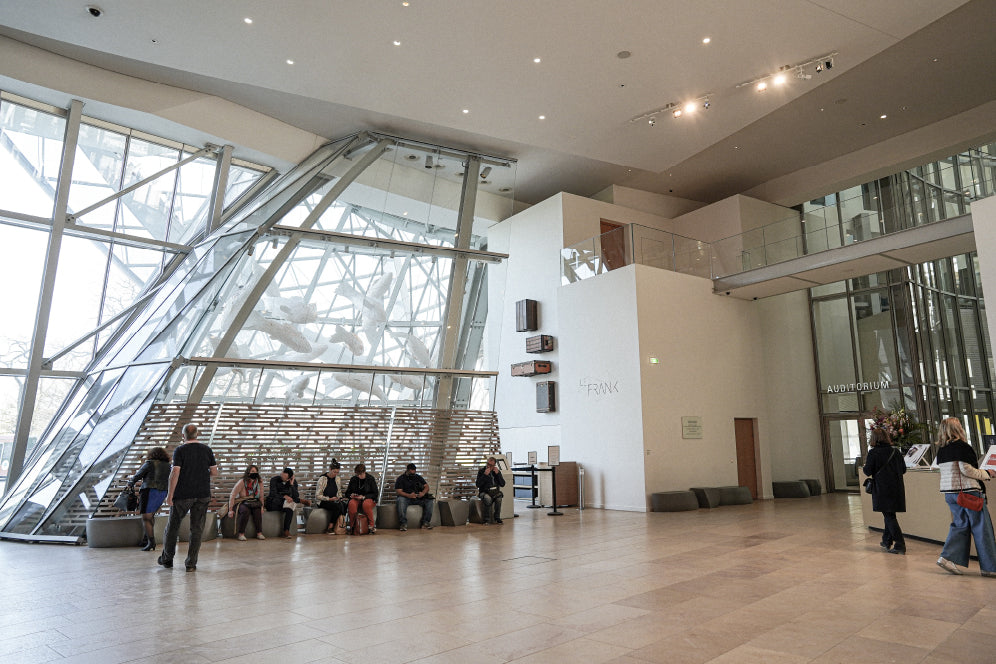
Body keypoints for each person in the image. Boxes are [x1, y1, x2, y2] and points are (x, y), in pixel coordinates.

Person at [935, 417, 996, 576]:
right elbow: (966, 470)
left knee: (960, 525)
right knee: (982, 528)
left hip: (950, 493)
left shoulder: (941, 449)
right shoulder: (962, 447)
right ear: (957, 429)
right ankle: (990, 568)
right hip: (968, 492)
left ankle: (947, 558)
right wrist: (987, 473)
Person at [158, 423, 218, 572]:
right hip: (202, 494)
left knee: (173, 526)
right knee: (197, 529)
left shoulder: (180, 450)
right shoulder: (207, 450)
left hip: (183, 494)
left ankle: (167, 559)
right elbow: (214, 472)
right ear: (198, 434)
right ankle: (191, 564)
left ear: (183, 435)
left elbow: (175, 473)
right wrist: (202, 475)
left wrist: (170, 494)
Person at [862, 429, 907, 554]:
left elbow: (867, 471)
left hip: (882, 488)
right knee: (889, 514)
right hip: (897, 487)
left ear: (874, 439)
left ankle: (900, 544)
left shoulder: (873, 453)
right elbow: (903, 469)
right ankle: (886, 540)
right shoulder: (895, 451)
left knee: (889, 515)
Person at [128, 446, 171, 552]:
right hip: (162, 492)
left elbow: (138, 475)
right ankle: (146, 539)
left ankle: (151, 542)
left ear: (152, 454)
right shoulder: (168, 466)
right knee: (151, 515)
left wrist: (130, 483)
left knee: (146, 517)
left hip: (149, 491)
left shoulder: (149, 463)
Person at [227, 464, 266, 541]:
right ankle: (241, 534)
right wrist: (230, 509)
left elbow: (261, 496)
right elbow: (233, 495)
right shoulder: (242, 482)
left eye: (256, 471)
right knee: (245, 511)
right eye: (252, 471)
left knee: (257, 511)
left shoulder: (259, 482)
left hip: (254, 501)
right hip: (242, 501)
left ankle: (259, 533)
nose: (254, 473)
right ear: (248, 472)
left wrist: (262, 507)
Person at [266, 467, 305, 538]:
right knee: (290, 501)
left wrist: (292, 484)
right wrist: (284, 496)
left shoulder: (292, 482)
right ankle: (300, 501)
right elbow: (273, 494)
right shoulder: (274, 480)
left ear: (289, 478)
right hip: (274, 503)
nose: (284, 479)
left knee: (290, 509)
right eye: (282, 475)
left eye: (286, 478)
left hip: (285, 504)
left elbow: (296, 495)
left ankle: (286, 531)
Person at [395, 463, 434, 531]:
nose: (413, 474)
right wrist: (409, 495)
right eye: (411, 472)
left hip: (418, 497)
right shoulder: (401, 479)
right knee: (400, 500)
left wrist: (423, 493)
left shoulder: (418, 477)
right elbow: (399, 491)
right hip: (406, 497)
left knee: (429, 501)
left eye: (414, 472)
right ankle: (403, 524)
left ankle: (425, 522)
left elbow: (427, 487)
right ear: (407, 470)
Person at [345, 463, 378, 534]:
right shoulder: (353, 479)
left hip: (368, 499)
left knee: (366, 504)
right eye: (358, 474)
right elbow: (347, 493)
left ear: (364, 472)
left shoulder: (370, 479)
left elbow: (375, 494)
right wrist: (351, 495)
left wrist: (364, 497)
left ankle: (371, 526)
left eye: (361, 474)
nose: (359, 476)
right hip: (356, 499)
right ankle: (353, 526)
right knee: (351, 503)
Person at [315, 459, 344, 533]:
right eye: (334, 472)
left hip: (334, 500)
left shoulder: (337, 479)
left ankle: (341, 525)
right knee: (337, 507)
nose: (335, 474)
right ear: (330, 469)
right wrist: (329, 499)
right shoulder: (323, 479)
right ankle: (330, 527)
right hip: (323, 501)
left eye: (337, 472)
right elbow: (318, 495)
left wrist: (340, 498)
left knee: (344, 505)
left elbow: (339, 491)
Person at [476, 456, 506, 525]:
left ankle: (497, 518)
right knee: (488, 498)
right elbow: (478, 484)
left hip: (495, 491)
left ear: (494, 465)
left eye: (491, 465)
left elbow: (502, 484)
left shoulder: (496, 472)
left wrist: (498, 474)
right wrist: (485, 475)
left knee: (499, 498)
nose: (488, 466)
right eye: (488, 464)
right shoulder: (481, 471)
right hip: (484, 492)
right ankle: (486, 519)